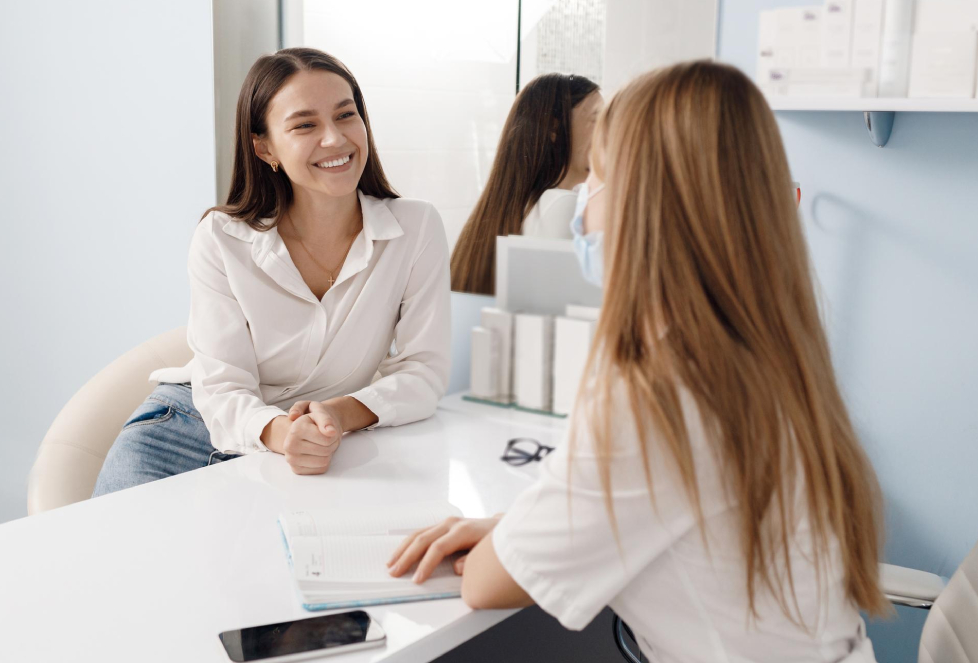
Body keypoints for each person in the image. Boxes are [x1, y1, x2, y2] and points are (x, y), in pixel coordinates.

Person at [388, 61, 888, 662]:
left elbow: (486, 583)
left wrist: (514, 534)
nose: (581, 204)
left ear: (641, 202)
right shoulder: (766, 356)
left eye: (595, 176)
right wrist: (520, 526)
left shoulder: (656, 394)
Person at [93, 48, 450, 496]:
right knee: (115, 562)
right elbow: (222, 385)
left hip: (317, 443)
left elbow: (424, 372)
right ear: (264, 147)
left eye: (346, 115)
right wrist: (283, 433)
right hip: (187, 430)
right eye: (305, 125)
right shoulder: (222, 238)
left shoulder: (415, 229)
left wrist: (337, 416)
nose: (335, 139)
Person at [450, 73, 602, 294]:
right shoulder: (562, 206)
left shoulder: (513, 207)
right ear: (554, 129)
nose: (607, 134)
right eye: (597, 120)